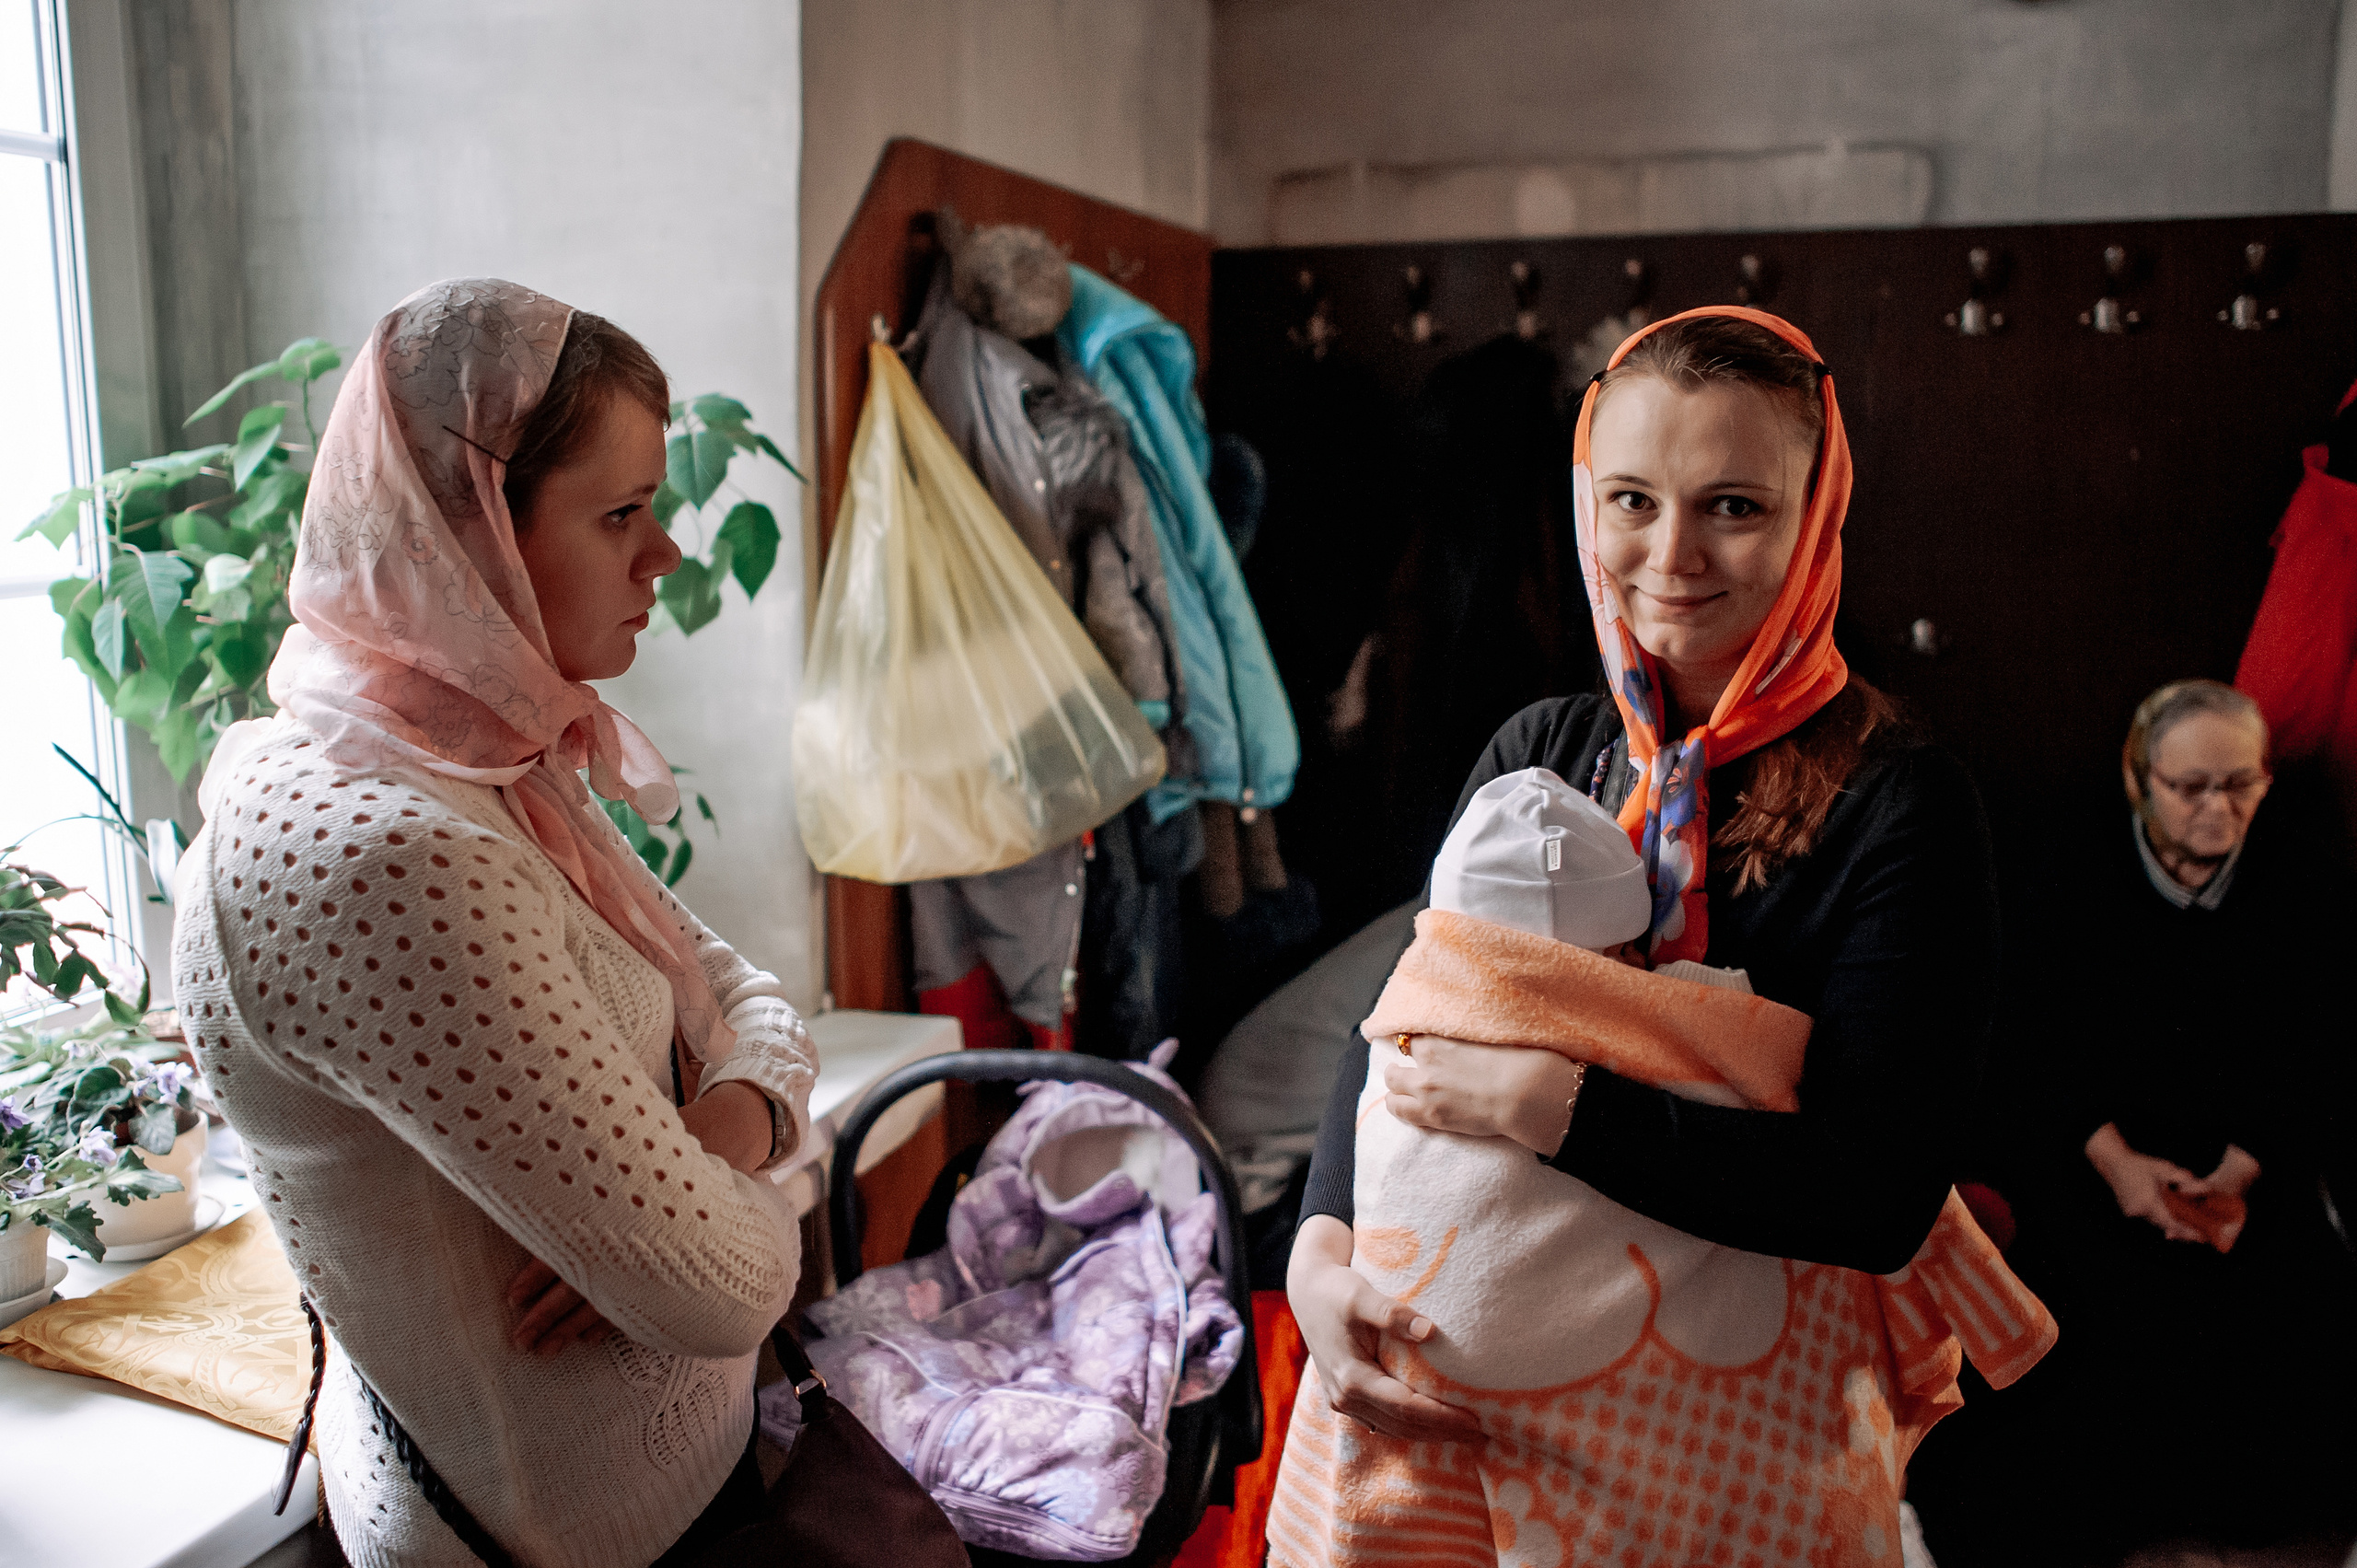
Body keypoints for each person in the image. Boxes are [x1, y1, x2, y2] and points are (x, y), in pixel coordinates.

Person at [1275, 307, 2026, 1563]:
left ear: (1816, 515)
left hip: (1738, 1456)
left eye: (1733, 505)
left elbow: (1877, 1193)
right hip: (1485, 1451)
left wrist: (1556, 1108)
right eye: (1631, 499)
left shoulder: (1904, 802)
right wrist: (1318, 1248)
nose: (1671, 553)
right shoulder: (1538, 750)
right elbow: (1403, 1021)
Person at [173, 280, 819, 1567]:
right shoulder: (387, 852)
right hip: (544, 1538)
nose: (666, 554)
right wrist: (687, 1216)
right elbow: (731, 1287)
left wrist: (711, 1139)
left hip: (659, 1499)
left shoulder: (473, 757)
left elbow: (745, 989)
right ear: (470, 537)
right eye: (622, 513)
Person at [2018, 679, 2357, 1552]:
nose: (2219, 808)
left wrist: (2240, 1173)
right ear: (2141, 780)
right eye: (2192, 787)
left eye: (2241, 784)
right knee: (2083, 1322)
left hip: (2249, 1156)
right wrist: (2119, 1166)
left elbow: (2317, 1052)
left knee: (2291, 1320)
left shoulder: (2306, 874)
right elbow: (2039, 1041)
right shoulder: (2071, 862)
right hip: (2102, 1150)